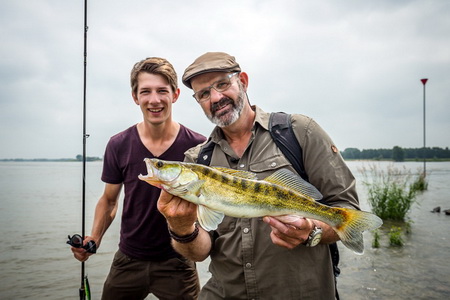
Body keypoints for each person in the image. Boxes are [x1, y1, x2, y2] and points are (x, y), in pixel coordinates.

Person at [157, 52, 361, 299]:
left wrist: (312, 231)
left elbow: (347, 209)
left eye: (222, 84)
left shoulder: (298, 132)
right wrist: (180, 227)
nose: (216, 97)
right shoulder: (197, 161)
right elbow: (199, 252)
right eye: (204, 94)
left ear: (242, 81)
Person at [70, 57, 206, 300]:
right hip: (128, 259)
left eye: (162, 91)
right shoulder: (118, 144)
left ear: (175, 95)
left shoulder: (198, 146)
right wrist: (95, 238)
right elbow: (110, 201)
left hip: (178, 262)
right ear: (135, 97)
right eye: (146, 91)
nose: (154, 100)